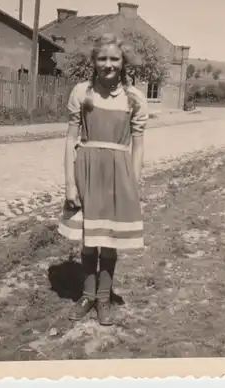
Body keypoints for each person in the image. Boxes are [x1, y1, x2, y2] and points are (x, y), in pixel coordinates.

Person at [58, 33, 149, 326]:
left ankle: (104, 298)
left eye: (114, 59)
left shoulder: (134, 98)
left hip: (118, 174)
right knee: (88, 239)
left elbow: (138, 145)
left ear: (123, 63)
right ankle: (87, 295)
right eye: (102, 58)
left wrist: (133, 184)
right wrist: (70, 183)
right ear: (94, 61)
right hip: (86, 172)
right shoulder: (82, 92)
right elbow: (70, 140)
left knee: (109, 240)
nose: (108, 64)